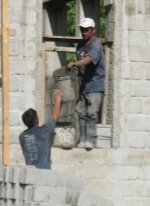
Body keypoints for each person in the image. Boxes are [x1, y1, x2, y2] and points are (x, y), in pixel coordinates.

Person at [67, 17, 105, 150]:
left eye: (86, 30)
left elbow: (89, 59)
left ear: (93, 31)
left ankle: (89, 140)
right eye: (82, 30)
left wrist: (76, 63)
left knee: (92, 113)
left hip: (95, 84)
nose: (84, 32)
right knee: (81, 112)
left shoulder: (96, 45)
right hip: (83, 84)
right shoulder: (80, 45)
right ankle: (82, 139)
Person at [19, 89, 62, 169]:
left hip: (30, 174)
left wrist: (49, 137)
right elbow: (55, 116)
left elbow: (37, 140)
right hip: (44, 174)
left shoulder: (22, 137)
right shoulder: (45, 130)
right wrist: (57, 100)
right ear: (37, 120)